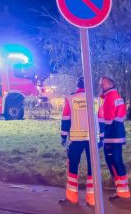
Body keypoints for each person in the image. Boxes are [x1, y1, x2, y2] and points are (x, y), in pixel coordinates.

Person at [59, 77, 97, 206]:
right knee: (93, 167)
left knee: (73, 166)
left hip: (76, 139)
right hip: (92, 139)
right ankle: (92, 199)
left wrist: (64, 136)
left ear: (77, 85)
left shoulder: (71, 99)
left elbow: (66, 118)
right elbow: (101, 119)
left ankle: (72, 199)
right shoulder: (96, 99)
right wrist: (101, 138)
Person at [100, 76, 131, 200]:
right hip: (118, 134)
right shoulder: (117, 96)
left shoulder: (109, 97)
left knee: (113, 162)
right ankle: (124, 190)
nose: (101, 86)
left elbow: (107, 120)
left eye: (103, 84)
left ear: (109, 84)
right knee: (118, 162)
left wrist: (100, 134)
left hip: (111, 136)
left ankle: (122, 191)